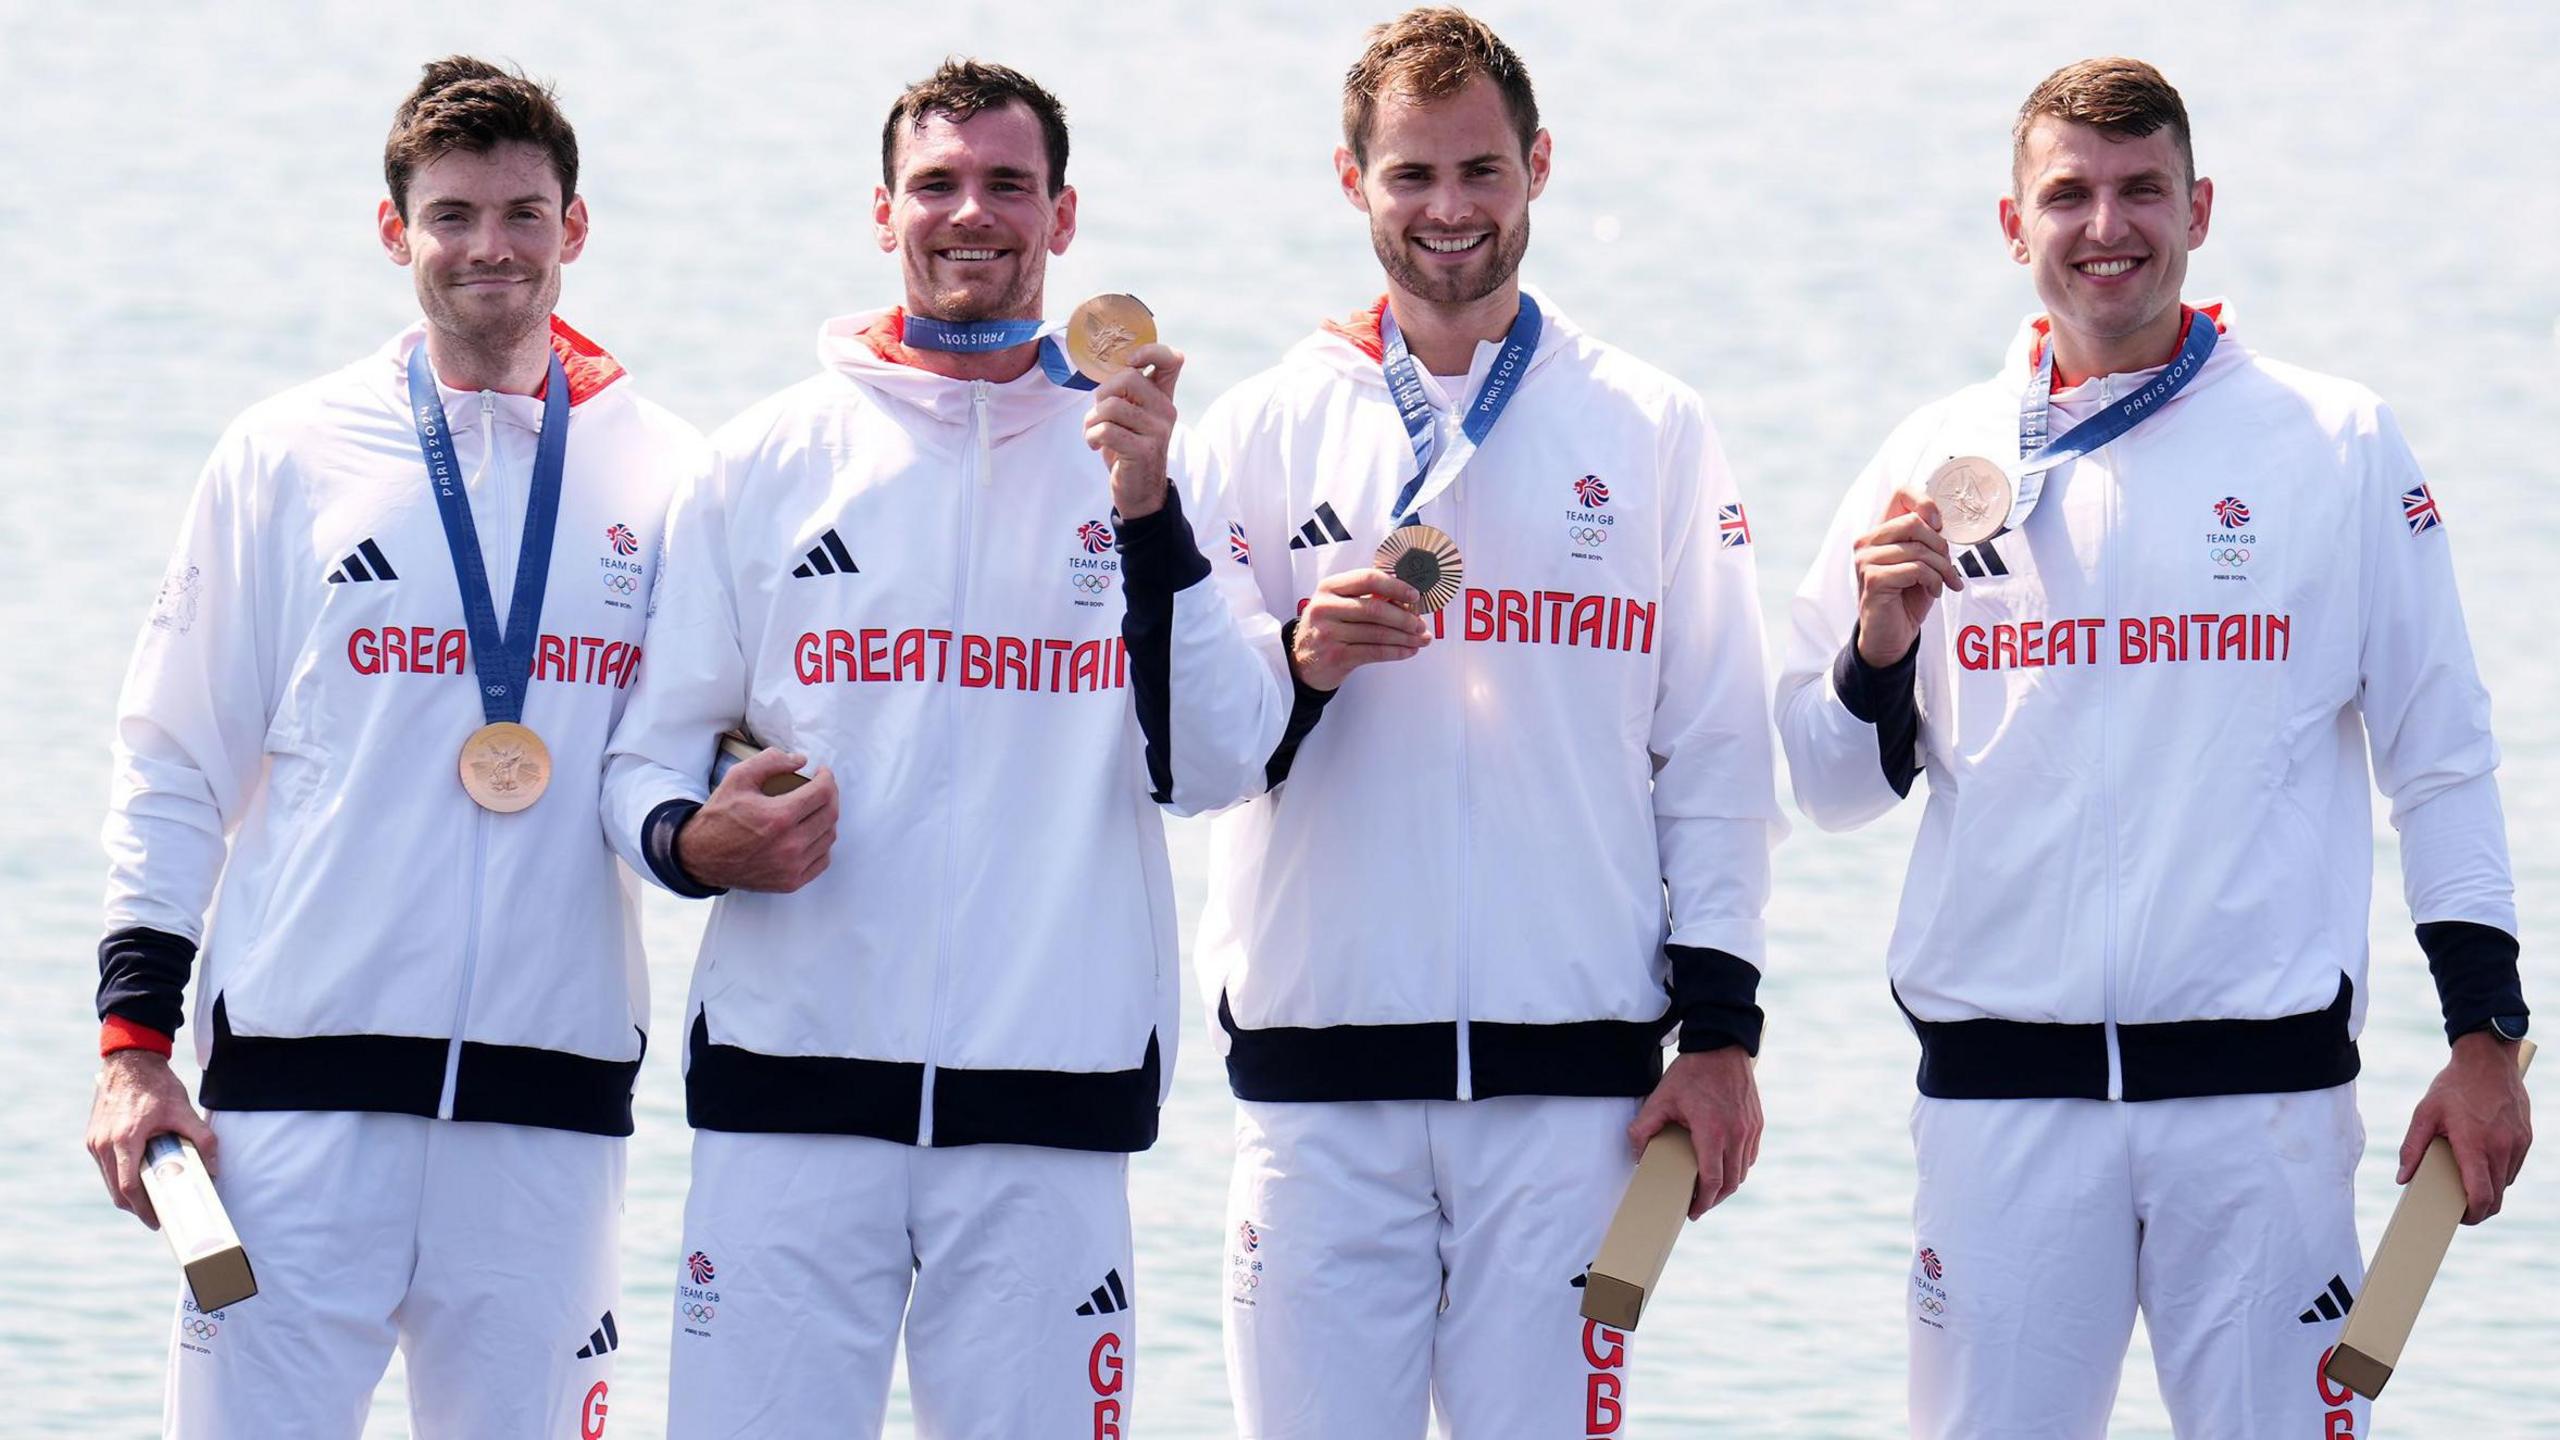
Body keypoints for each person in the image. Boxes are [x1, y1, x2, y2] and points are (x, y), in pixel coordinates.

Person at [1773, 56, 2532, 1440]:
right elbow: (1823, 788)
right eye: (2068, 194)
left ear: (2200, 209)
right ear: (2015, 225)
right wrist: (1879, 644)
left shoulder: (2336, 441)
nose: (2106, 226)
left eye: (2142, 191)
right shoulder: (1934, 456)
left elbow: (2443, 759)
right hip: (2004, 1113)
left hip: (2261, 1118)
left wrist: (2486, 1039)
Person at [599, 58, 1286, 1439]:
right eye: (938, 185)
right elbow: (640, 768)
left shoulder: (1154, 457)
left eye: (1008, 186)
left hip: (1050, 1112)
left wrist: (1149, 511)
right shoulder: (764, 461)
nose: (972, 214)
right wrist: (692, 841)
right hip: (789, 1106)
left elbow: (1218, 765)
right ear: (883, 212)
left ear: (1064, 215)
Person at [1185, 10, 1784, 1436]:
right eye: (1410, 176)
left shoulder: (1647, 423)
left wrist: (1722, 1032)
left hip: (1571, 1094)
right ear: (1352, 184)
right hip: (1322, 1094)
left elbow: (1712, 748)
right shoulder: (1259, 430)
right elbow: (1191, 753)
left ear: (1538, 169)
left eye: (1479, 171)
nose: (1448, 211)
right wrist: (1295, 662)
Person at [83, 56, 697, 1439]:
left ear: (575, 229)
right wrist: (133, 1044)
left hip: (548, 1125)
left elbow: (687, 768)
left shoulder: (666, 474)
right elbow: (173, 760)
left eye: (524, 214)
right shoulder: (286, 454)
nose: (492, 248)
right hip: (295, 1121)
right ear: (394, 232)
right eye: (454, 215)